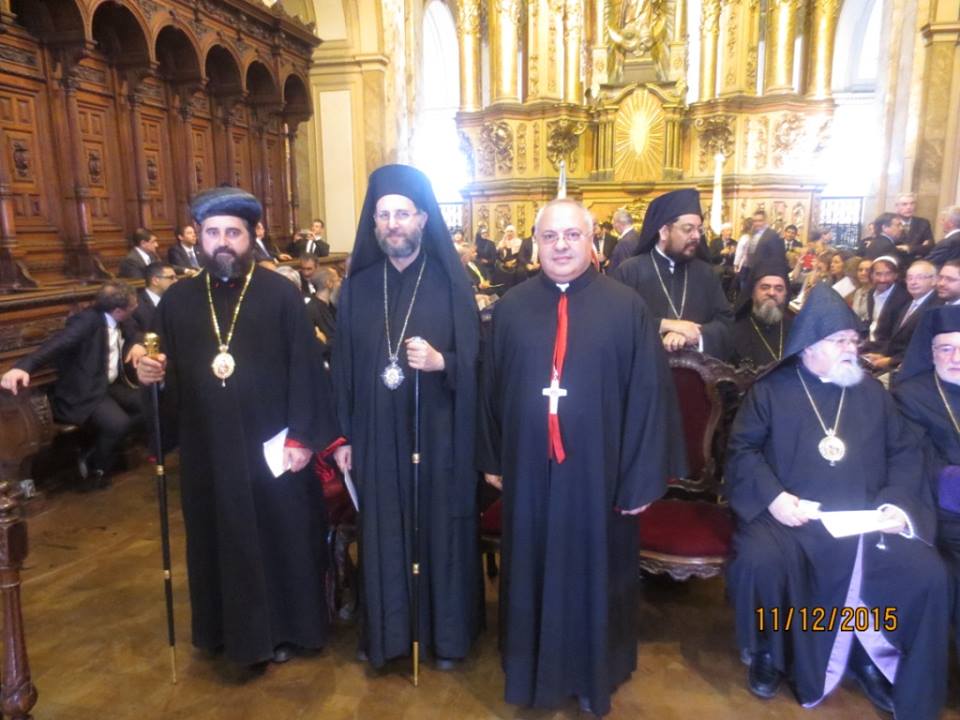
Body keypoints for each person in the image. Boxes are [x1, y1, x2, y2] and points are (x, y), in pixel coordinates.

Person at [477, 197, 684, 716]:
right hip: (529, 473)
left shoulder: (627, 307)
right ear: (536, 243)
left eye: (572, 235)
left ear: (592, 241)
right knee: (531, 568)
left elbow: (649, 396)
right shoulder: (511, 308)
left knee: (598, 572)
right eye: (550, 236)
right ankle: (530, 672)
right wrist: (493, 458)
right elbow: (489, 389)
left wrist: (640, 479)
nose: (561, 245)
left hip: (600, 479)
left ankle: (596, 673)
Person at [726, 283, 949, 720]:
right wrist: (775, 499)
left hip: (864, 516)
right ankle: (770, 650)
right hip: (792, 516)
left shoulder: (871, 394)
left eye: (854, 340)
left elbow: (905, 453)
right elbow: (743, 451)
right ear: (810, 345)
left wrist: (896, 506)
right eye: (841, 341)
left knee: (926, 572)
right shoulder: (771, 391)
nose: (852, 349)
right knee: (760, 560)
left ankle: (869, 652)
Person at [136, 187, 336, 667]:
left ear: (252, 236)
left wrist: (302, 437)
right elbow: (166, 376)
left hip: (273, 446)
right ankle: (222, 632)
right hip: (208, 448)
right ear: (199, 237)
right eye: (212, 233)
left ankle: (286, 630)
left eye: (233, 232)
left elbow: (306, 369)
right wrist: (148, 377)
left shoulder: (280, 294)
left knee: (280, 535)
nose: (222, 242)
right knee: (217, 537)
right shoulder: (178, 301)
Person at [332, 164, 482, 671]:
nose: (393, 223)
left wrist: (444, 363)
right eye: (384, 215)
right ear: (374, 223)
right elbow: (343, 370)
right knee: (384, 531)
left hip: (437, 432)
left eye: (403, 213)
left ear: (423, 219)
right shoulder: (357, 288)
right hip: (374, 435)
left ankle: (444, 637)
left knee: (438, 528)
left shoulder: (450, 283)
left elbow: (478, 363)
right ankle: (389, 636)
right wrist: (344, 437)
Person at [1, 281, 145, 487]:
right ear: (118, 311)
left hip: (108, 384)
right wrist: (23, 367)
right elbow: (55, 345)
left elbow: (134, 331)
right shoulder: (85, 322)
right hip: (84, 390)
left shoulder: (122, 317)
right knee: (118, 425)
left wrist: (137, 344)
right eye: (133, 305)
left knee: (147, 404)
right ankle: (96, 467)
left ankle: (105, 451)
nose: (137, 306)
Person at [893, 306, 960, 649]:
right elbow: (914, 464)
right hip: (944, 517)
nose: (956, 358)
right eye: (946, 348)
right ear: (931, 353)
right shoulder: (910, 396)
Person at [613, 188, 733, 359]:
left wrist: (697, 335)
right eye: (688, 229)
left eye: (699, 229)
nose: (696, 236)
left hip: (696, 373)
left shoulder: (706, 273)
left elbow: (727, 324)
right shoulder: (630, 271)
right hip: (646, 371)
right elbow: (616, 324)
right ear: (664, 232)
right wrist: (664, 325)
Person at [862, 260, 941, 371]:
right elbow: (897, 341)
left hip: (913, 369)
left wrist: (890, 361)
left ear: (934, 280)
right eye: (910, 278)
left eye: (920, 277)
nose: (913, 282)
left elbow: (925, 347)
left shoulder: (936, 307)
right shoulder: (910, 304)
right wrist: (882, 355)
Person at [731, 261, 793, 370]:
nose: (772, 293)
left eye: (779, 289)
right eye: (765, 287)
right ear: (752, 293)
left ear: (785, 294)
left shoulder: (795, 329)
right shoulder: (735, 330)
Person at [865, 256, 909, 344]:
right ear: (871, 275)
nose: (882, 279)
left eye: (888, 274)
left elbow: (897, 337)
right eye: (878, 274)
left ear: (895, 275)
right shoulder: (871, 293)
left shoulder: (903, 299)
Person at [133, 262, 177, 334]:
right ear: (155, 281)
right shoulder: (136, 305)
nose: (176, 281)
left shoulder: (176, 299)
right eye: (171, 278)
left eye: (176, 277)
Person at [894, 192, 935, 258]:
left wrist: (909, 248)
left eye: (912, 203)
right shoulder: (890, 223)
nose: (909, 207)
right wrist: (920, 247)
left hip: (918, 261)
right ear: (896, 207)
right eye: (904, 204)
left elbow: (930, 247)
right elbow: (890, 247)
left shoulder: (923, 223)